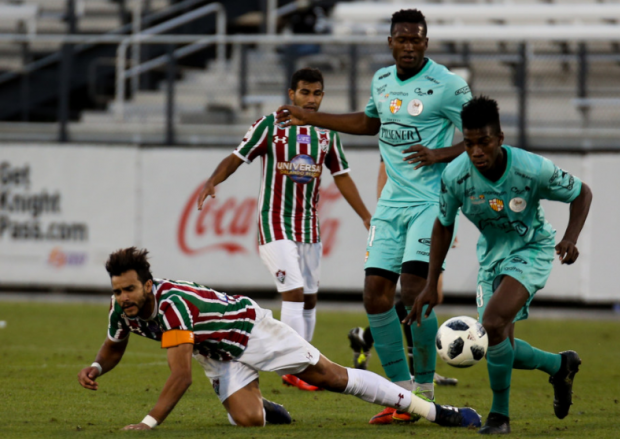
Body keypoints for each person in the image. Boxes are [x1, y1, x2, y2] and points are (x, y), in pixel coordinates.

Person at [276, 9, 473, 424]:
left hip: (428, 204)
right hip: (391, 205)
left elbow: (482, 133)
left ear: (426, 41)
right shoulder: (382, 80)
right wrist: (311, 117)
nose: (408, 45)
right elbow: (369, 122)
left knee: (414, 293)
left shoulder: (448, 85)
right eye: (401, 39)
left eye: (416, 39)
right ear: (390, 42)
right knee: (374, 297)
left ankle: (424, 390)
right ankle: (402, 397)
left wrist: (440, 153)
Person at [77, 247, 482, 430]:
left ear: (147, 285)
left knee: (331, 377)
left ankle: (432, 411)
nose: (123, 298)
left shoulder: (172, 306)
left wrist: (149, 424)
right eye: (117, 291)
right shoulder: (122, 310)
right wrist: (97, 366)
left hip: (250, 331)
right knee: (248, 421)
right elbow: (114, 345)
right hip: (215, 351)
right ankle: (262, 404)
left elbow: (180, 377)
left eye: (129, 290)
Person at [404, 96, 593, 435]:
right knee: (497, 343)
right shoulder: (455, 175)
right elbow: (443, 225)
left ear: (500, 139)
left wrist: (571, 237)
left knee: (490, 323)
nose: (476, 151)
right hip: (492, 257)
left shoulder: (531, 168)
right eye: (469, 143)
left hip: (532, 248)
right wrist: (431, 283)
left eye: (484, 142)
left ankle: (499, 417)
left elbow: (582, 193)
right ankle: (560, 364)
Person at [198, 67, 372, 391]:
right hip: (274, 223)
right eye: (304, 92)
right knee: (292, 292)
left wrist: (365, 214)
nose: (311, 99)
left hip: (309, 228)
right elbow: (237, 157)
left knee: (308, 300)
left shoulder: (327, 132)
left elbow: (342, 175)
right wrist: (212, 180)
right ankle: (292, 369)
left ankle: (302, 365)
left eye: (317, 93)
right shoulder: (269, 126)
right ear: (291, 94)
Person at [348, 158, 458, 388]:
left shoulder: (438, 132)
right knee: (418, 292)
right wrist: (388, 219)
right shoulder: (398, 129)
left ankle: (367, 338)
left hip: (432, 210)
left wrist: (447, 222)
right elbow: (384, 169)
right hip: (404, 216)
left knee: (431, 295)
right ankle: (416, 373)